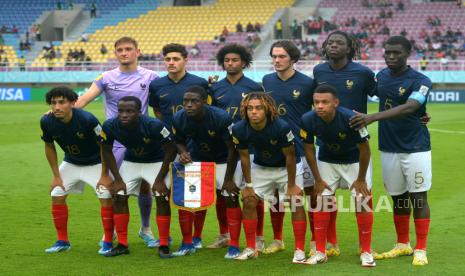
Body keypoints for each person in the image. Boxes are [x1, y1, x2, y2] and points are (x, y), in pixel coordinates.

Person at [349, 36, 432, 266]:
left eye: (396, 53)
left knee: (419, 196)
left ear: (408, 53)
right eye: (388, 53)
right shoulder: (382, 76)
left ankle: (421, 248)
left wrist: (372, 117)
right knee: (398, 197)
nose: (391, 57)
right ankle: (402, 244)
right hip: (388, 147)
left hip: (415, 147)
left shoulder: (421, 79)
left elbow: (412, 106)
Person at [75, 37, 160, 248]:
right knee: (113, 186)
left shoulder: (151, 76)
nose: (124, 53)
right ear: (115, 53)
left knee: (145, 187)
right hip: (116, 141)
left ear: (137, 51)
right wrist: (64, 111)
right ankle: (111, 232)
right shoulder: (106, 77)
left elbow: (162, 104)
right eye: (120, 50)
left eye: (128, 49)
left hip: (144, 138)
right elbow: (85, 99)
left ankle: (145, 229)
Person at [312, 30, 377, 257]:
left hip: (356, 145)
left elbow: (384, 94)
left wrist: (418, 112)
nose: (334, 46)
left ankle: (365, 249)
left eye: (339, 43)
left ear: (349, 48)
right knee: (325, 198)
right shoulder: (319, 70)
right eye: (330, 42)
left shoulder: (363, 73)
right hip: (326, 144)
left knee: (362, 198)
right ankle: (330, 243)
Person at [300, 84, 375, 267]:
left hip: (355, 162)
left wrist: (361, 179)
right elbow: (309, 150)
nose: (319, 106)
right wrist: (317, 179)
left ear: (336, 103)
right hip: (327, 160)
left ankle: (366, 251)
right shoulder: (308, 119)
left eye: (324, 102)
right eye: (316, 102)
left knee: (362, 201)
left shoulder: (351, 118)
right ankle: (320, 251)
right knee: (322, 201)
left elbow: (365, 150)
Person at [232, 92, 307, 263]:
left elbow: (290, 155)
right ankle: (251, 248)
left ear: (267, 109)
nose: (254, 112)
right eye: (250, 108)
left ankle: (300, 250)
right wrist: (248, 184)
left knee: (295, 201)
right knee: (249, 200)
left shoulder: (281, 127)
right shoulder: (239, 128)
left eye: (258, 108)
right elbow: (244, 156)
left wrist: (292, 185)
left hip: (286, 168)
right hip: (261, 167)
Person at [148, 43, 209, 249]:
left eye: (176, 59)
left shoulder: (199, 83)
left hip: (192, 146)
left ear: (185, 60)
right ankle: (165, 238)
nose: (171, 63)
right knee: (162, 192)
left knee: (194, 195)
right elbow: (157, 111)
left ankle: (196, 237)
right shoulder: (157, 85)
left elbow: (206, 111)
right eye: (168, 59)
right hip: (166, 146)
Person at [99, 96, 177, 257]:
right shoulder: (110, 125)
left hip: (156, 161)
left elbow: (171, 149)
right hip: (132, 161)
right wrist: (118, 179)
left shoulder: (154, 125)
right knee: (119, 195)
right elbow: (106, 150)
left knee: (162, 196)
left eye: (129, 111)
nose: (124, 115)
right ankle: (122, 244)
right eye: (121, 111)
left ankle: (163, 245)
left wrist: (159, 179)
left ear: (139, 112)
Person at [40, 87, 114, 255]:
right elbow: (49, 145)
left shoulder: (88, 119)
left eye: (61, 102)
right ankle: (62, 241)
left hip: (96, 163)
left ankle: (108, 241)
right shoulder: (46, 121)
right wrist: (56, 177)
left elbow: (105, 146)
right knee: (56, 193)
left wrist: (104, 175)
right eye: (53, 103)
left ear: (73, 103)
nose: (57, 107)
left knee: (105, 196)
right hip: (71, 163)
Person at [171, 86, 241, 258]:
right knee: (189, 200)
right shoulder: (179, 117)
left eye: (194, 101)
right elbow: (178, 141)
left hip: (224, 160)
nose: (188, 105)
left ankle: (234, 245)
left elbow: (233, 149)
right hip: (198, 159)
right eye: (186, 101)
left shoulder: (220, 117)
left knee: (230, 197)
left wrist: (229, 179)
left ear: (205, 101)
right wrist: (182, 152)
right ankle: (188, 242)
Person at [210, 43, 265, 254]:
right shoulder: (215, 88)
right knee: (223, 193)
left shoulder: (254, 87)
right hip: (223, 149)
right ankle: (225, 234)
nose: (230, 63)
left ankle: (258, 237)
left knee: (252, 194)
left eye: (234, 60)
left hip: (249, 148)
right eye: (227, 60)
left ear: (243, 62)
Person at [262, 40, 314, 255]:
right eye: (274, 56)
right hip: (275, 148)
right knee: (275, 196)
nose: (276, 60)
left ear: (293, 59)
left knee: (308, 195)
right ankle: (278, 239)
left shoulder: (308, 83)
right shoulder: (266, 80)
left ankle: (314, 241)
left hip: (302, 148)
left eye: (281, 56)